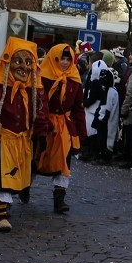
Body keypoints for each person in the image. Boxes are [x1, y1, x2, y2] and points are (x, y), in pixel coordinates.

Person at [0, 37, 50, 232]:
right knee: (1, 179)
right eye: (18, 61)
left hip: (21, 139)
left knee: (14, 181)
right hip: (0, 137)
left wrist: (41, 134)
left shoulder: (35, 88)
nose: (23, 67)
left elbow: (40, 112)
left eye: (27, 62)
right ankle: (2, 216)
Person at [36, 43, 86, 213]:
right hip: (45, 123)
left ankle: (59, 199)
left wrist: (81, 131)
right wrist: (43, 122)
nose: (64, 62)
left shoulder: (75, 79)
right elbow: (37, 102)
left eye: (68, 59)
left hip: (65, 125)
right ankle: (25, 187)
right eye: (61, 58)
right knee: (38, 157)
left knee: (64, 161)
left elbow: (79, 106)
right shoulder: (43, 76)